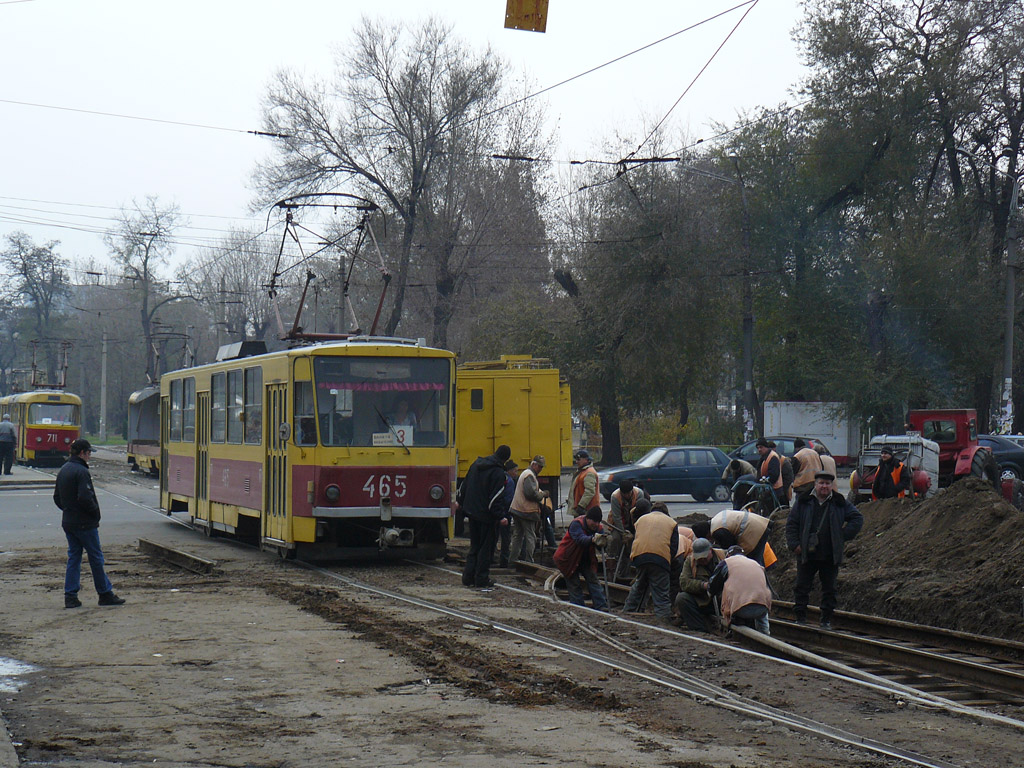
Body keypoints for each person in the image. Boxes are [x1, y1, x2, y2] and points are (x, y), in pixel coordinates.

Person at [786, 470, 864, 629]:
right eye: (821, 483)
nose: (824, 486)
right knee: (802, 586)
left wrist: (841, 535)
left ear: (831, 486)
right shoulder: (803, 501)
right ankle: (800, 618)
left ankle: (826, 620)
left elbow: (857, 518)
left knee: (830, 589)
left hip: (830, 554)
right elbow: (792, 524)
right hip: (806, 553)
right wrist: (795, 544)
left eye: (828, 484)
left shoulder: (839, 502)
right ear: (815, 484)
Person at [54, 439, 125, 608]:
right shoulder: (81, 471)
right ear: (82, 453)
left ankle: (70, 596)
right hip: (85, 523)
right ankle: (105, 594)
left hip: (69, 521)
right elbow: (85, 497)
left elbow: (57, 497)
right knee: (96, 558)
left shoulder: (63, 470)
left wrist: (68, 510)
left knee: (74, 557)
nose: (90, 456)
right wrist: (95, 514)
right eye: (89, 453)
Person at [459, 445, 512, 589]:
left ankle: (468, 576)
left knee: (474, 545)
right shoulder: (498, 473)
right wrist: (500, 516)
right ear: (505, 459)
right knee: (486, 549)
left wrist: (461, 504)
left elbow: (464, 486)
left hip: (471, 512)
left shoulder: (476, 464)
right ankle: (481, 579)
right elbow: (496, 498)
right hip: (486, 516)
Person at [622, 499, 679, 622]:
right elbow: (674, 547)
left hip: (639, 556)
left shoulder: (641, 519)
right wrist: (667, 564)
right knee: (661, 592)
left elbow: (638, 536)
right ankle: (663, 619)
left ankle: (628, 611)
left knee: (639, 584)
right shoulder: (672, 523)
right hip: (660, 558)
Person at [552, 507, 609, 611]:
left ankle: (602, 606)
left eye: (598, 522)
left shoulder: (598, 528)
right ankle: (579, 608)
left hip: (585, 558)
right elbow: (580, 539)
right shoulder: (576, 524)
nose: (596, 524)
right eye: (594, 521)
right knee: (574, 584)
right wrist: (593, 539)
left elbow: (602, 547)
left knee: (593, 580)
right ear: (587, 518)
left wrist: (604, 543)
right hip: (568, 558)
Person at [708, 545, 772, 635]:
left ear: (728, 555)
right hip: (762, 609)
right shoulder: (756, 564)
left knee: (727, 591)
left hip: (740, 611)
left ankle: (733, 623)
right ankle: (765, 633)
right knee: (760, 597)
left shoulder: (726, 563)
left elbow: (712, 586)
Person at [509, 455, 549, 563]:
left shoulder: (526, 474)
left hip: (517, 509)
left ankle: (513, 560)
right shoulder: (529, 476)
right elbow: (531, 494)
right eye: (539, 467)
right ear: (534, 464)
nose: (540, 469)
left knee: (517, 535)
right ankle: (529, 561)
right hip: (525, 511)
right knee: (530, 536)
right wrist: (543, 494)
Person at [674, 537, 720, 631]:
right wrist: (703, 585)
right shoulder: (690, 562)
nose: (702, 560)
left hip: (722, 599)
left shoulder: (722, 557)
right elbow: (684, 582)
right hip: (702, 599)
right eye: (699, 558)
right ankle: (699, 629)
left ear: (710, 550)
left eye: (704, 557)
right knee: (682, 598)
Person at [607, 479, 642, 579]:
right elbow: (617, 517)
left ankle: (630, 569)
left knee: (633, 544)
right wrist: (623, 533)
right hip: (618, 524)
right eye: (624, 494)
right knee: (616, 540)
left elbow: (639, 514)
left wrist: (633, 532)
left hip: (634, 522)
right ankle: (614, 566)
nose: (627, 495)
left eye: (628, 493)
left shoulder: (639, 494)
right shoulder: (615, 497)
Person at [495, 460, 518, 568]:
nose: (516, 474)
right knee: (505, 538)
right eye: (515, 471)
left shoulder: (500, 478)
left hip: (497, 513)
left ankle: (490, 558)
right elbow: (509, 499)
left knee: (494, 536)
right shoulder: (509, 482)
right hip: (505, 514)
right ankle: (504, 560)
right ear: (510, 471)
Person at [568, 449, 600, 515]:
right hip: (584, 510)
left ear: (586, 460)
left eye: (579, 459)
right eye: (576, 459)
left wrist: (581, 506)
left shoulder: (589, 473)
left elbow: (590, 492)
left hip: (587, 511)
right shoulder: (583, 471)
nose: (576, 462)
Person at [755, 437, 784, 508]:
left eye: (761, 447)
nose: (759, 449)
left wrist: (765, 481)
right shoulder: (764, 457)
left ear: (766, 447)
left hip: (774, 490)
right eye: (758, 448)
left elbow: (774, 475)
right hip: (768, 489)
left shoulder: (772, 457)